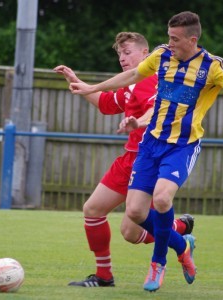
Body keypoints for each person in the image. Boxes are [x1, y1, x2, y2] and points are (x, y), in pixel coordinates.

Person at [69, 11, 223, 292]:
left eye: (174, 39)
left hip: (182, 146)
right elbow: (133, 75)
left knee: (162, 199)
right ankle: (181, 242)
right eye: (168, 37)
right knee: (135, 214)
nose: (169, 43)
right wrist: (92, 87)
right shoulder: (162, 55)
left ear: (192, 39)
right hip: (150, 143)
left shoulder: (213, 67)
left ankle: (158, 263)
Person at [53, 32, 194, 288]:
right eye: (119, 54)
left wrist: (137, 122)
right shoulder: (131, 84)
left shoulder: (153, 79)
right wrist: (78, 84)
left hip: (148, 159)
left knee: (130, 232)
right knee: (93, 210)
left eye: (127, 52)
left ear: (145, 53)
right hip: (128, 159)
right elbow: (106, 104)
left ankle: (177, 232)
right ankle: (104, 276)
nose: (122, 58)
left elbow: (158, 110)